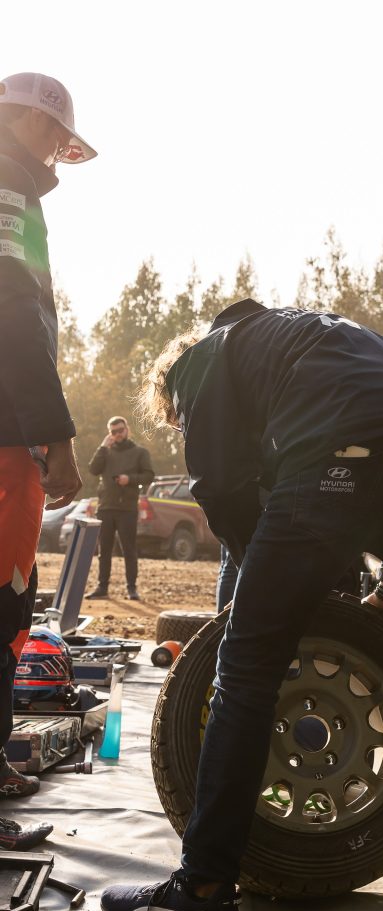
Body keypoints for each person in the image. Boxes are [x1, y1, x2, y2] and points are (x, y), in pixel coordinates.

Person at [101, 300, 383, 911]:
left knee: (246, 667)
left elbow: (222, 488)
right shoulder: (329, 336)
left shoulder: (200, 359)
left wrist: (263, 597)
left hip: (340, 455)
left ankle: (200, 889)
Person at [0, 73, 94, 848]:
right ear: (32, 123)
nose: (61, 155)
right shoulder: (9, 184)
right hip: (5, 436)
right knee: (4, 602)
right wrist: (55, 435)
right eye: (58, 139)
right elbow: (14, 311)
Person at [86, 417, 155, 601]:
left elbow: (149, 476)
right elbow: (93, 470)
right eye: (113, 432)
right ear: (110, 433)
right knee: (104, 550)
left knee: (129, 550)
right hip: (106, 507)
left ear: (127, 430)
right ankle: (102, 587)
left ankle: (132, 588)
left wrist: (129, 479)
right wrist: (102, 447)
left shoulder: (140, 452)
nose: (117, 434)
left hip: (127, 508)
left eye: (120, 430)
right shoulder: (105, 452)